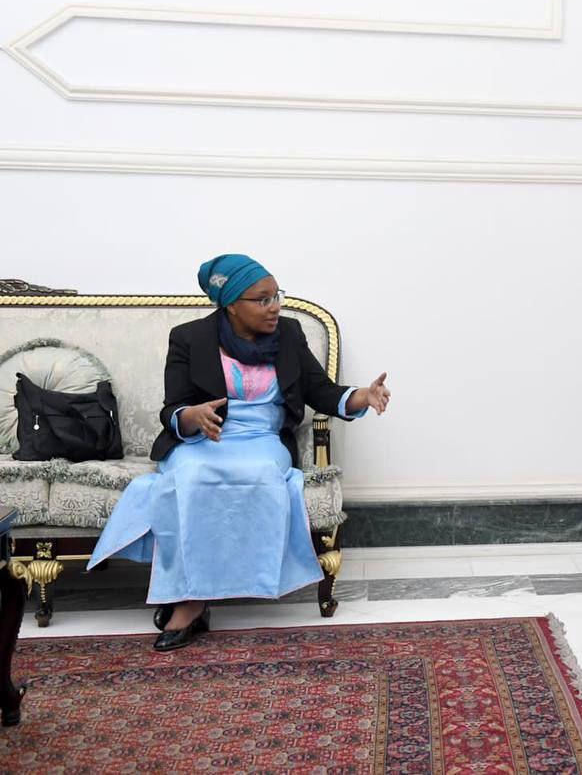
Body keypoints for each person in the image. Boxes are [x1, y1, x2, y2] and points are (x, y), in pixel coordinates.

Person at [88, 254, 391, 651]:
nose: (275, 307)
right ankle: (190, 601)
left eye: (277, 296)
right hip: (203, 440)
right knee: (190, 477)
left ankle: (215, 592)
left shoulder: (289, 334)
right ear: (231, 303)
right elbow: (172, 408)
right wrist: (192, 416)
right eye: (262, 300)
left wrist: (362, 397)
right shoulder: (190, 338)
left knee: (262, 475)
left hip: (262, 440)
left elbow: (320, 391)